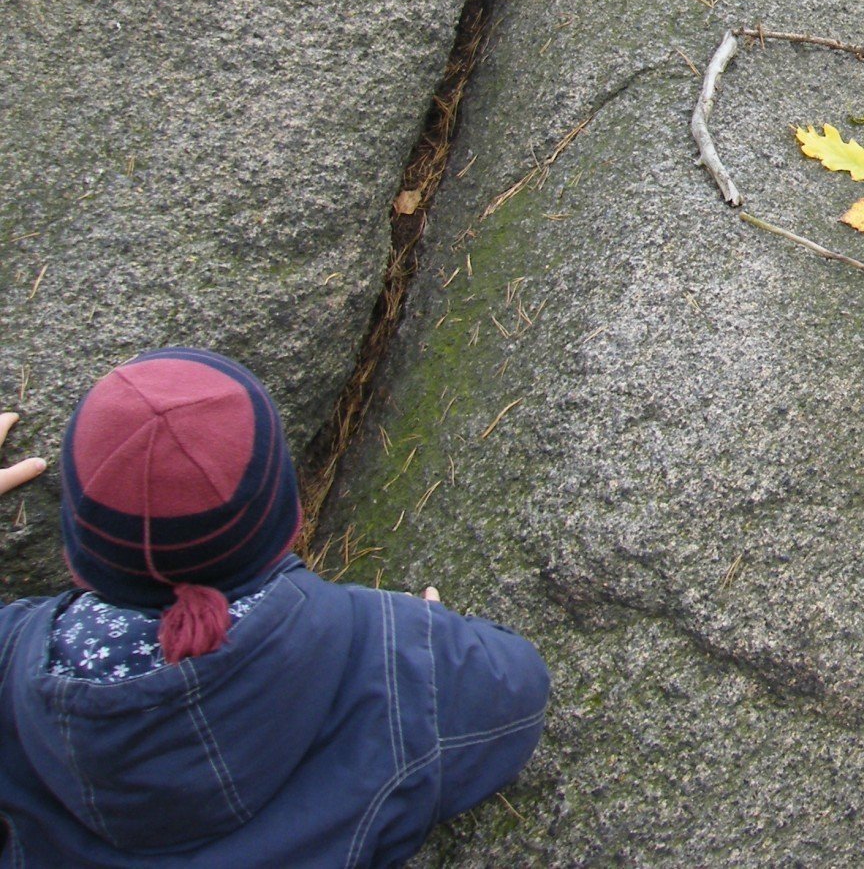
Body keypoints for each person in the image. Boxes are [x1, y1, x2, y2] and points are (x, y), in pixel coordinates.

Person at [0, 348, 549, 866]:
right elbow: (518, 689)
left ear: (76, 548)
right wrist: (427, 642)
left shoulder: (9, 660)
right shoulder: (396, 668)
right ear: (287, 512)